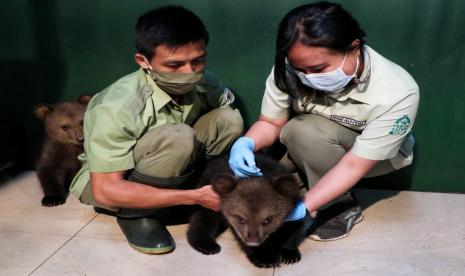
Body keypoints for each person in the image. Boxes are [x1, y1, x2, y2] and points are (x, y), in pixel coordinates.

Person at [229, 1, 419, 241]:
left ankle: (340, 206)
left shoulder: (399, 91)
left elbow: (354, 165)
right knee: (270, 171)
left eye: (318, 68)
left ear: (354, 49)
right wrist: (245, 143)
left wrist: (304, 207)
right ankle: (313, 181)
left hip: (371, 158)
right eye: (301, 69)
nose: (308, 77)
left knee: (305, 132)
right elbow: (271, 123)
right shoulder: (290, 67)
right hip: (313, 141)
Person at [70, 6, 243, 254]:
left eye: (198, 60)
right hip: (110, 183)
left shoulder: (207, 83)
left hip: (173, 164)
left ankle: (179, 196)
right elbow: (106, 189)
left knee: (229, 119)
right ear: (144, 61)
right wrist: (193, 198)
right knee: (178, 137)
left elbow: (222, 125)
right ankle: (136, 215)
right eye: (174, 65)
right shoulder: (117, 107)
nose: (190, 72)